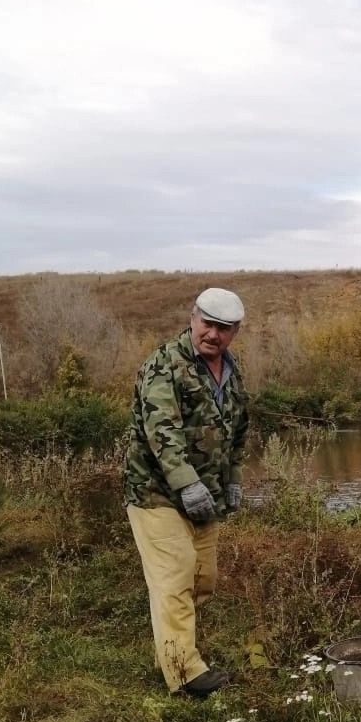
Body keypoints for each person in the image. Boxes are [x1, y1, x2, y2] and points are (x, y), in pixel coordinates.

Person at [124, 287, 249, 697]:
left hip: (206, 495)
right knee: (175, 576)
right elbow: (162, 433)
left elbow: (237, 431)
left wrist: (232, 478)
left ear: (234, 332)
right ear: (193, 318)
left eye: (224, 328)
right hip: (156, 492)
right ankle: (184, 673)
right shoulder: (165, 365)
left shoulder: (231, 372)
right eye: (207, 323)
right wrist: (187, 483)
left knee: (202, 579)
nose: (213, 334)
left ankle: (170, 644)